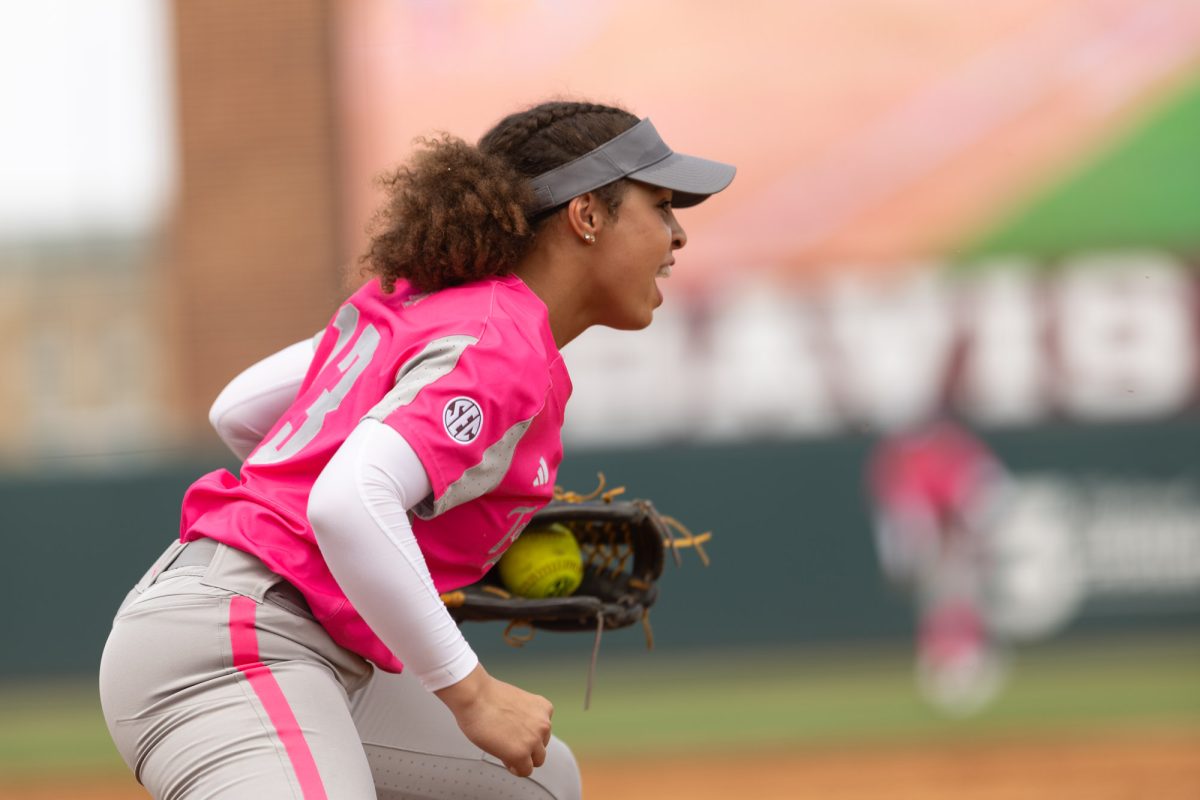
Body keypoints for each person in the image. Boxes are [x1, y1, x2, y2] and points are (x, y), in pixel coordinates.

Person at [98, 100, 735, 799]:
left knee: (540, 784)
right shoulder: (501, 341)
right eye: (662, 205)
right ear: (587, 216)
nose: (677, 236)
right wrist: (472, 694)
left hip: (284, 637)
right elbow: (346, 501)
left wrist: (396, 561)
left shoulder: (433, 302)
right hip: (235, 648)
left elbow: (241, 410)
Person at [865, 419, 1012, 715]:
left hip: (954, 542)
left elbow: (966, 508)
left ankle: (968, 661)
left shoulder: (949, 456)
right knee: (943, 601)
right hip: (939, 544)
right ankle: (947, 662)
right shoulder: (904, 463)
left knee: (958, 599)